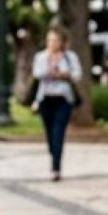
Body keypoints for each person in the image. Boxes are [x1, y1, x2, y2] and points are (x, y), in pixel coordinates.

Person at [31, 25, 80, 181]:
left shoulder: (69, 57)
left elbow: (78, 74)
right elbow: (36, 74)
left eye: (55, 40)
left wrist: (65, 74)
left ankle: (56, 168)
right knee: (49, 133)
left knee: (58, 132)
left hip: (63, 99)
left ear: (62, 42)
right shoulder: (41, 56)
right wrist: (49, 71)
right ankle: (54, 154)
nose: (52, 43)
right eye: (49, 40)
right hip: (45, 98)